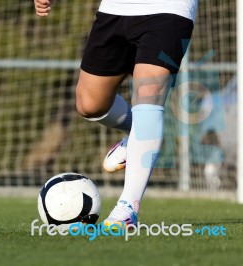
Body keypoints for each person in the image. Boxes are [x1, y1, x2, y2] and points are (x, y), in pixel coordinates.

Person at [34, 0, 198, 227]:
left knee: (148, 92)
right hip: (115, 9)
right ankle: (139, 135)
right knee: (90, 104)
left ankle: (127, 209)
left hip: (169, 10)